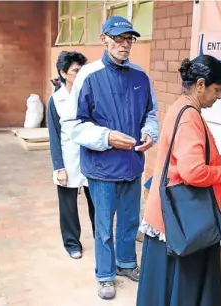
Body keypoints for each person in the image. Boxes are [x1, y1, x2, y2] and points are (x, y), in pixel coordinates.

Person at [136, 55, 221, 306]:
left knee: (165, 286)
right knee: (182, 286)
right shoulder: (189, 116)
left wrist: (218, 160)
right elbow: (192, 172)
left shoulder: (182, 107)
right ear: (199, 85)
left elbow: (186, 159)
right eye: (216, 89)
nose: (218, 96)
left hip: (170, 215)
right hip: (182, 220)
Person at [62, 16, 159, 300]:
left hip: (131, 164)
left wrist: (150, 133)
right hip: (102, 168)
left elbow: (151, 114)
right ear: (104, 38)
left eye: (129, 38)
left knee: (130, 221)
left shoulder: (141, 76)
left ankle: (126, 263)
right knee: (104, 226)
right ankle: (105, 274)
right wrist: (106, 138)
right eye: (118, 38)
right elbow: (73, 124)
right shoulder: (88, 76)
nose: (124, 44)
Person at [47, 51, 95, 260]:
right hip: (68, 159)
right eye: (76, 71)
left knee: (97, 203)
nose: (79, 74)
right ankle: (72, 243)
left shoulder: (90, 93)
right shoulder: (56, 100)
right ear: (63, 73)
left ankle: (101, 240)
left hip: (91, 157)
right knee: (68, 206)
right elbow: (54, 136)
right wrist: (59, 166)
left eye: (81, 70)